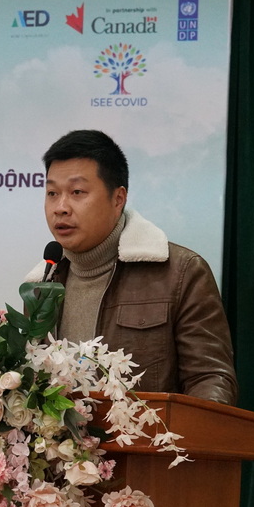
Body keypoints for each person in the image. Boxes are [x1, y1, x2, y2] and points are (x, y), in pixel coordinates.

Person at [27, 130, 238, 405]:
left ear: (118, 199)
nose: (61, 207)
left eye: (77, 192)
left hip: (151, 433)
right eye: (52, 193)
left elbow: (210, 379)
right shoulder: (42, 286)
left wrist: (186, 431)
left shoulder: (182, 273)